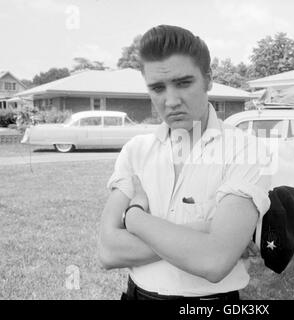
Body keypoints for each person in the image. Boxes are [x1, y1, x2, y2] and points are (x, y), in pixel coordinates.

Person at [98, 25, 272, 300]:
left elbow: (213, 262)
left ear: (208, 80)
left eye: (183, 83)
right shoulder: (136, 150)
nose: (171, 101)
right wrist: (203, 234)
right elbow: (108, 252)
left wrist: (134, 217)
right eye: (157, 88)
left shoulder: (247, 150)